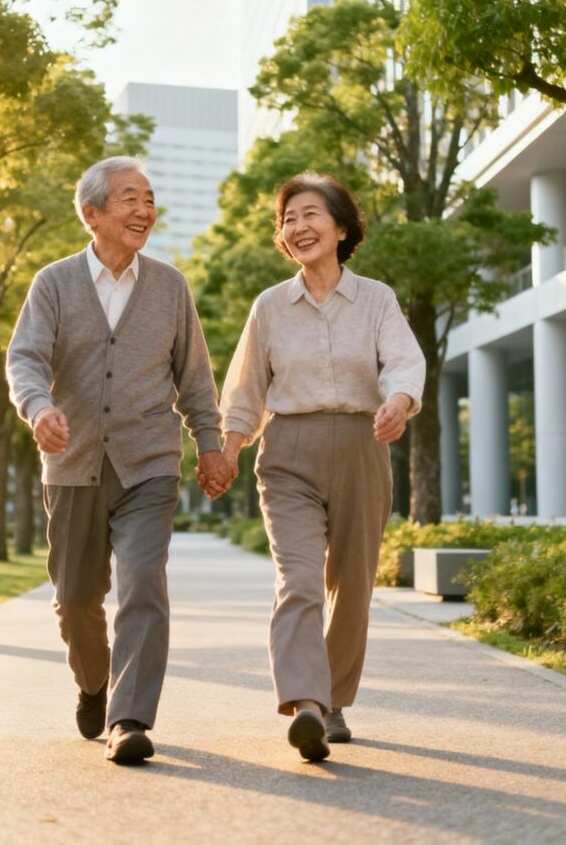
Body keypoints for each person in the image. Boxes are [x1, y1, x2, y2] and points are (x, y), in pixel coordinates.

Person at [6, 156, 231, 765]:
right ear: (92, 214)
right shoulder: (53, 283)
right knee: (76, 598)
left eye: (150, 199)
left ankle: (129, 717)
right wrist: (39, 408)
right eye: (130, 199)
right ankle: (94, 685)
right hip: (74, 461)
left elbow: (195, 378)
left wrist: (210, 444)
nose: (144, 210)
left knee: (141, 586)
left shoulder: (169, 286)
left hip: (149, 462)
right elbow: (25, 357)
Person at [219, 171, 424, 762]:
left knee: (352, 587)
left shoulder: (377, 299)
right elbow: (246, 389)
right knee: (300, 578)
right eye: (288, 219)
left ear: (340, 227)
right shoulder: (270, 307)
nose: (297, 227)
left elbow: (405, 363)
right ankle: (305, 703)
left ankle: (333, 700)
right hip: (289, 454)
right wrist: (229, 450)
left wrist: (399, 402)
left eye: (310, 214)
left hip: (363, 444)